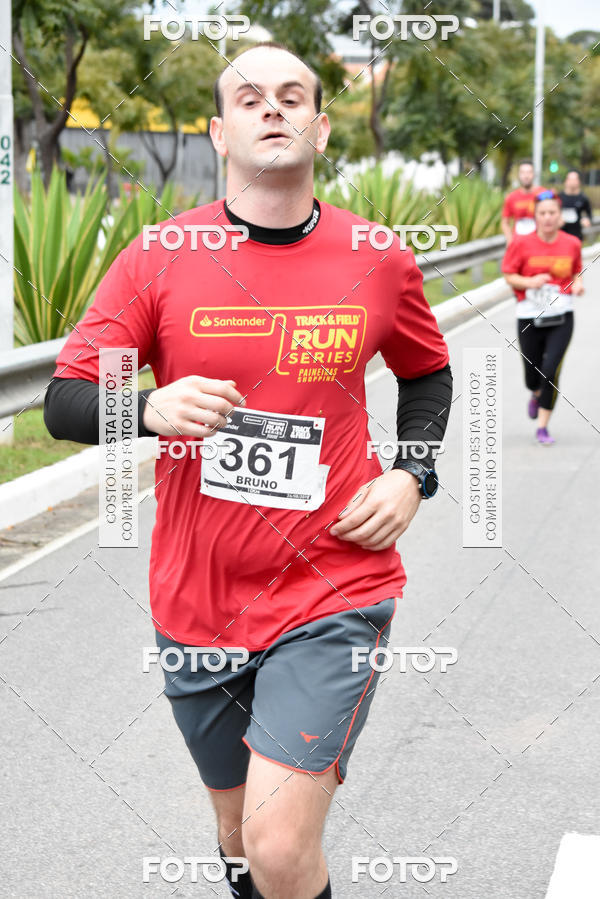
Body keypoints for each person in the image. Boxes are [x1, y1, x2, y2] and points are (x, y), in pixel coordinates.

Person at [44, 42, 453, 899]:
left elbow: (428, 372)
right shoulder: (159, 255)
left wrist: (411, 473)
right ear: (218, 132)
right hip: (199, 601)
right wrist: (147, 408)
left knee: (277, 841)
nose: (273, 108)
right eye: (250, 98)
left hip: (333, 585)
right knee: (240, 843)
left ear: (321, 128)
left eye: (293, 96)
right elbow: (65, 400)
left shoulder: (377, 254)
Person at [502, 189, 583, 445]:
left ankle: (543, 427)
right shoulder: (520, 243)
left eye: (552, 213)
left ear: (560, 216)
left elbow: (576, 271)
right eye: (543, 213)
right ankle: (535, 393)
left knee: (550, 371)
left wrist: (578, 284)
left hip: (561, 317)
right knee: (532, 374)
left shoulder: (572, 243)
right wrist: (530, 281)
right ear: (535, 216)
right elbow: (509, 275)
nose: (547, 217)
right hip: (529, 316)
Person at [501, 159, 544, 243]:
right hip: (518, 242)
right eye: (523, 172)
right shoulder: (512, 197)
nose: (526, 176)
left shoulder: (543, 194)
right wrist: (510, 240)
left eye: (529, 172)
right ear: (519, 175)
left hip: (538, 242)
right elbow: (505, 222)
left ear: (534, 174)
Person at [559, 169, 592, 242]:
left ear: (579, 181)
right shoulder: (559, 197)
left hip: (576, 235)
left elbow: (589, 214)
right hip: (560, 234)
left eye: (575, 180)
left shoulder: (583, 198)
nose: (572, 182)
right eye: (570, 179)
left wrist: (587, 220)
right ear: (566, 181)